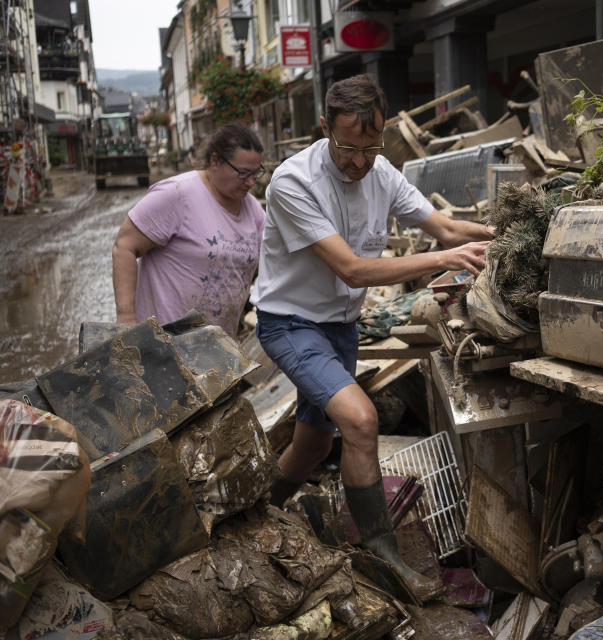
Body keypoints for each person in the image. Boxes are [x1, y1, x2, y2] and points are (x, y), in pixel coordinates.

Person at [251, 75, 494, 600]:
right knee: (361, 421)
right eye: (349, 147)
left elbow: (447, 229)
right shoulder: (293, 183)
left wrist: (502, 233)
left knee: (313, 445)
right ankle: (383, 555)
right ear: (324, 128)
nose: (361, 161)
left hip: (338, 326)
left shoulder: (381, 170)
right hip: (290, 324)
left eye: (371, 146)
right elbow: (354, 270)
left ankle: (255, 515)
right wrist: (443, 259)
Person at [112, 124, 266, 336]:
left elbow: (268, 264)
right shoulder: (178, 194)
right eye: (243, 173)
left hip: (218, 346)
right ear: (215, 161)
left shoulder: (254, 210)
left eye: (256, 173)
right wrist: (126, 319)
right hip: (164, 344)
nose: (251, 182)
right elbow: (125, 247)